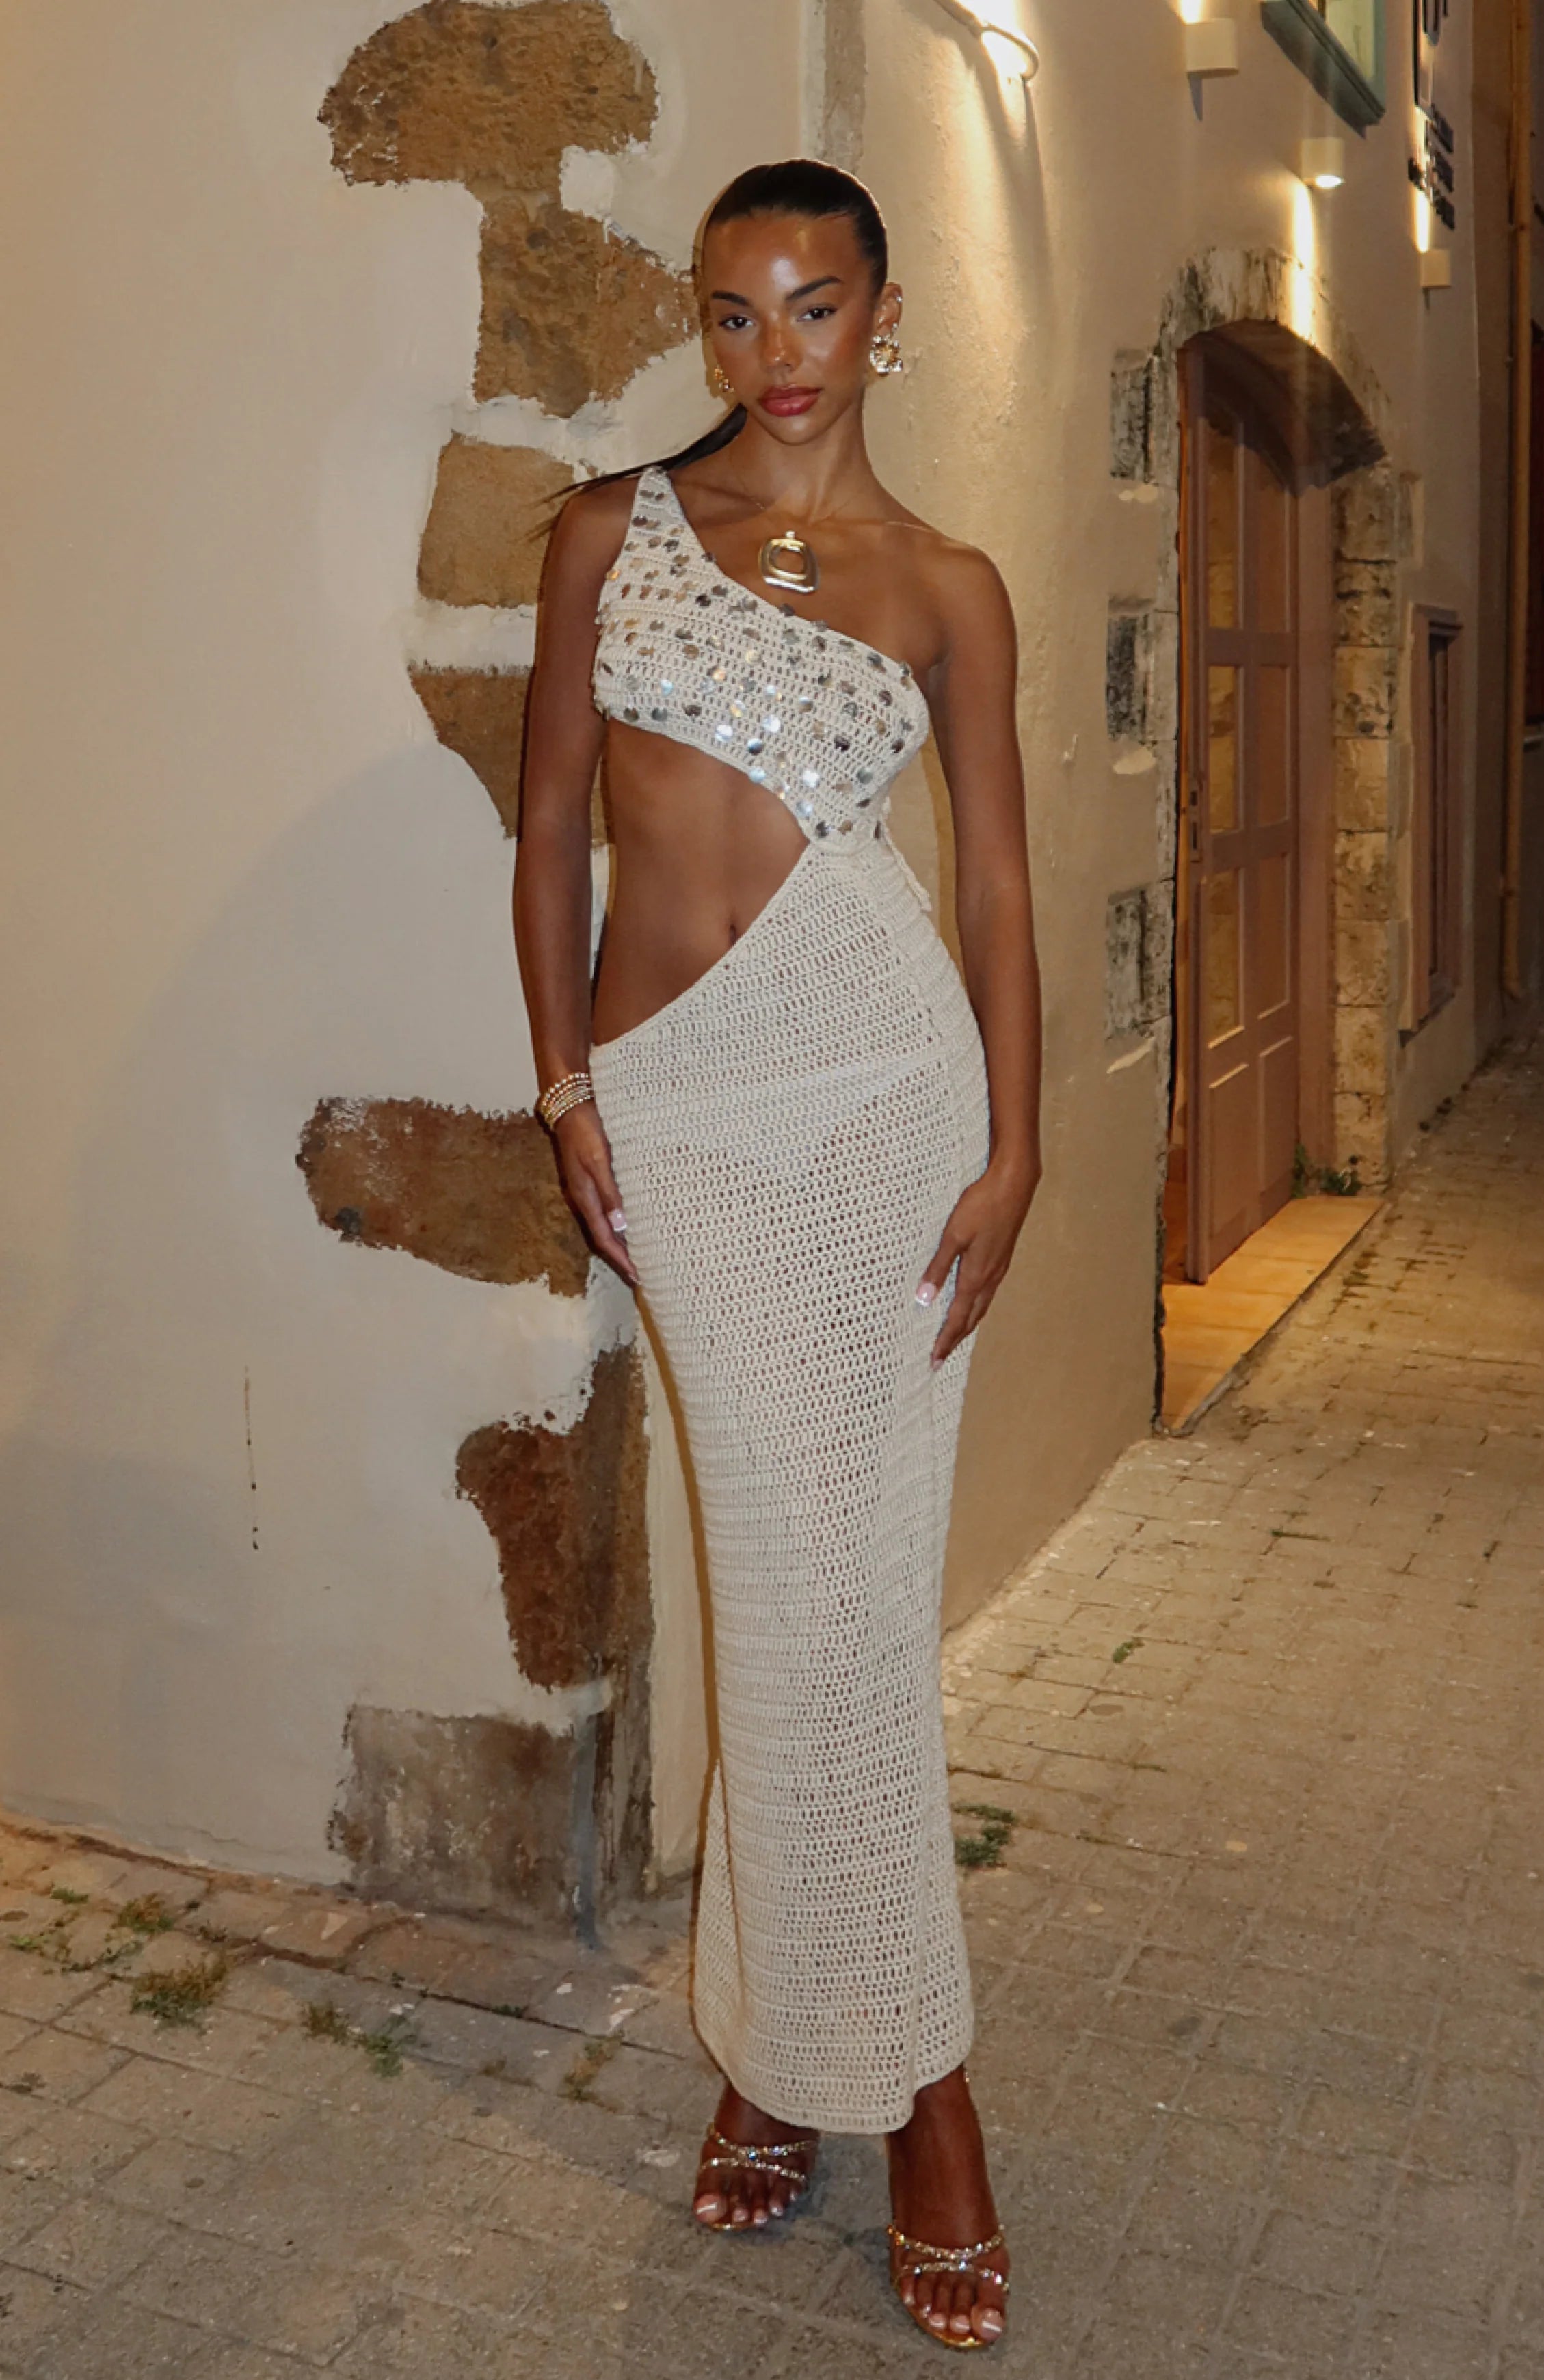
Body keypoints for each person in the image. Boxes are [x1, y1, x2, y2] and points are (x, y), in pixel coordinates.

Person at [515, 158, 1041, 2352]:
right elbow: (554, 822)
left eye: (812, 305)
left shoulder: (949, 585)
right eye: (733, 313)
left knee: (844, 1607)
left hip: (887, 1101)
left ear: (880, 310)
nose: (774, 352)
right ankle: (817, 2045)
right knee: (785, 1587)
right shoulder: (607, 531)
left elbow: (994, 880)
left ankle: (894, 2080)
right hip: (688, 1110)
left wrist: (1019, 1144)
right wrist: (568, 1087)